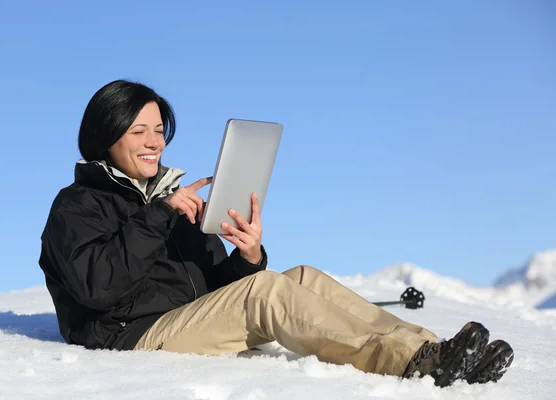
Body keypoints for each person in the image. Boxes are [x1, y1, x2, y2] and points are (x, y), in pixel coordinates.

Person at [38, 79, 514, 388]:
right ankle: (413, 362)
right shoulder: (78, 205)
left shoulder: (174, 199)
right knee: (266, 292)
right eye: (138, 130)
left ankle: (437, 349)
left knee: (300, 276)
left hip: (184, 320)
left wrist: (246, 256)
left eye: (159, 130)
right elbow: (97, 287)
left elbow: (215, 290)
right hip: (130, 337)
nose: (153, 142)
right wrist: (159, 216)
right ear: (105, 134)